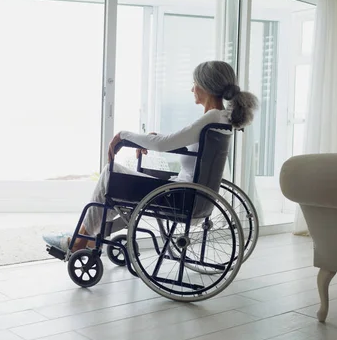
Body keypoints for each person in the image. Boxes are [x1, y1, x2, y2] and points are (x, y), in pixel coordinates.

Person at [43, 60, 258, 253]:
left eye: (195, 84)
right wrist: (151, 139)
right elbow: (179, 143)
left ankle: (79, 241)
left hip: (179, 196)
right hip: (191, 196)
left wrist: (124, 136)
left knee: (111, 174)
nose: (192, 89)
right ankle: (89, 236)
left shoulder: (210, 118)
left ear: (206, 87)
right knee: (117, 190)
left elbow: (166, 144)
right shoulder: (221, 120)